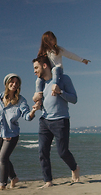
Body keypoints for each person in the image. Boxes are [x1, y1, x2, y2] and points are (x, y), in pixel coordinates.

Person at [32, 55, 80, 188]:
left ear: (45, 65)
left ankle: (74, 167)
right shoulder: (41, 84)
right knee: (42, 152)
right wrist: (37, 106)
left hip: (60, 120)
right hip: (44, 120)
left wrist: (60, 92)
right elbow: (44, 102)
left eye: (36, 67)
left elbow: (74, 99)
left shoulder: (63, 79)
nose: (34, 71)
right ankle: (48, 181)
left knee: (62, 152)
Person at [0, 74, 37, 191]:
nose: (14, 84)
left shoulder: (21, 100)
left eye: (17, 83)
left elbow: (27, 116)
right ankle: (13, 177)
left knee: (3, 158)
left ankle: (2, 185)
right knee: (3, 158)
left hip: (11, 134)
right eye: (11, 82)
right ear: (6, 83)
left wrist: (33, 111)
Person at [33, 31, 90, 102]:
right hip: (50, 72)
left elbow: (70, 55)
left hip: (58, 70)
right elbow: (39, 62)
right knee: (38, 80)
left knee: (55, 69)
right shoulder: (44, 52)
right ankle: (38, 96)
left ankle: (54, 86)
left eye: (52, 39)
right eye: (48, 40)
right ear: (45, 42)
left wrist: (82, 60)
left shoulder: (59, 49)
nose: (51, 41)